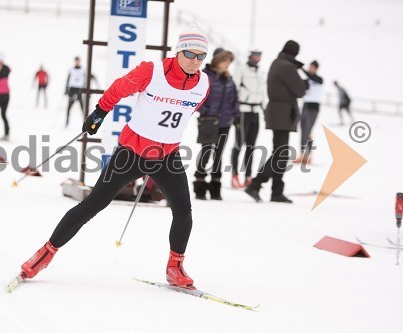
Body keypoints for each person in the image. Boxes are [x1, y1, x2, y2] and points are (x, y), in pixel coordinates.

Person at [15, 27, 210, 290]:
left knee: (183, 211)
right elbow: (120, 88)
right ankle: (45, 253)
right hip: (131, 153)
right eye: (190, 54)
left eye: (201, 56)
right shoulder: (152, 71)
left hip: (166, 156)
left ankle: (175, 267)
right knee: (92, 205)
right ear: (178, 52)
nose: (195, 61)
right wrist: (100, 113)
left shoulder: (204, 84)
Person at [244, 40, 306, 204]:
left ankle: (276, 191)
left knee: (280, 152)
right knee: (281, 153)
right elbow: (300, 90)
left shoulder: (278, 63)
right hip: (282, 113)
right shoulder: (287, 66)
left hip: (279, 111)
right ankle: (256, 184)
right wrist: (305, 83)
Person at [193, 48, 239, 200]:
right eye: (225, 61)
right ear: (218, 61)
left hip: (225, 122)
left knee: (218, 155)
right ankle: (199, 186)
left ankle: (215, 187)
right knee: (206, 152)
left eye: (229, 62)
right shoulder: (205, 76)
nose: (227, 64)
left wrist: (234, 114)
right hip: (208, 121)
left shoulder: (229, 79)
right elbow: (197, 97)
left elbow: (234, 99)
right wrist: (206, 111)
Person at [230, 47, 266, 189]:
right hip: (243, 111)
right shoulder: (241, 70)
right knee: (239, 144)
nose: (257, 58)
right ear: (249, 56)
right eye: (255, 55)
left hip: (256, 111)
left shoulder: (260, 72)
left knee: (251, 146)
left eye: (259, 55)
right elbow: (234, 90)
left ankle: (248, 176)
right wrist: (235, 112)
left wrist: (265, 109)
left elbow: (263, 92)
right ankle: (234, 176)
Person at [294, 60, 323, 164]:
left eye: (312, 67)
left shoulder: (319, 79)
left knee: (308, 130)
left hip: (314, 108)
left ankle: (309, 155)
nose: (310, 69)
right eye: (310, 67)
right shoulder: (306, 80)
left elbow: (312, 77)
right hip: (305, 106)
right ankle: (302, 154)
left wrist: (301, 68)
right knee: (303, 130)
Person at [64, 57, 97, 126]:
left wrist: (93, 78)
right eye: (76, 61)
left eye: (78, 61)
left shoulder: (83, 70)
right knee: (69, 107)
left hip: (79, 89)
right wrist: (66, 90)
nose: (77, 62)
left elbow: (89, 75)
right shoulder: (71, 70)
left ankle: (85, 122)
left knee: (82, 107)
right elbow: (68, 79)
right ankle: (67, 122)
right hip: (72, 89)